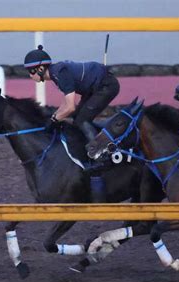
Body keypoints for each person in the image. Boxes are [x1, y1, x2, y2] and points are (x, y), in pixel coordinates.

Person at [24, 45, 120, 202]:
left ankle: (102, 153)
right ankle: (98, 142)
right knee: (78, 118)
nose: (30, 76)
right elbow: (65, 105)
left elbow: (69, 106)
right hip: (95, 87)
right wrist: (55, 117)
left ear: (40, 68)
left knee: (82, 119)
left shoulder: (60, 74)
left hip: (106, 86)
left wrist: (54, 119)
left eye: (30, 71)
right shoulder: (57, 74)